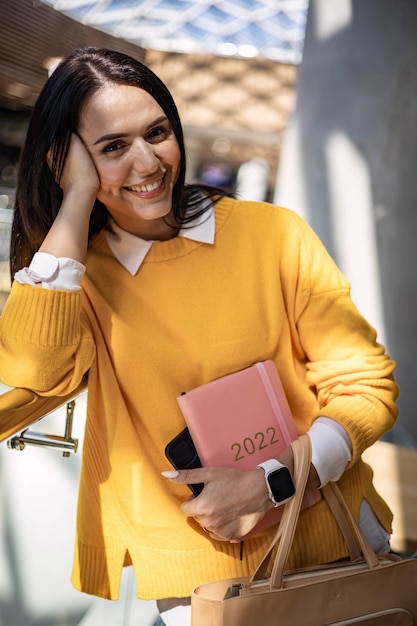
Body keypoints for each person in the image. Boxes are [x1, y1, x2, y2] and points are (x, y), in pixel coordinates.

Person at [0, 47, 399, 626]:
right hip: (199, 577)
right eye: (113, 148)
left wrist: (274, 481)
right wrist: (73, 208)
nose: (148, 162)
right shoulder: (76, 280)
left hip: (334, 542)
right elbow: (32, 374)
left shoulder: (273, 236)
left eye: (156, 132)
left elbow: (367, 386)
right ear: (67, 162)